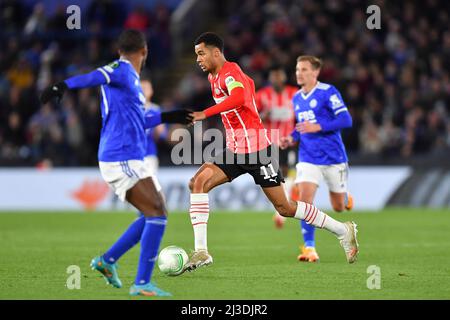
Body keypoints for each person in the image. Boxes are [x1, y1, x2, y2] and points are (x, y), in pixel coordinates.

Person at [184, 32, 359, 271]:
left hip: (258, 150)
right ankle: (202, 252)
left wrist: (206, 113)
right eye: (196, 55)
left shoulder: (231, 72)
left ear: (216, 52)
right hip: (234, 149)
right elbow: (246, 95)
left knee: (285, 208)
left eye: (201, 53)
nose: (198, 59)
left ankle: (342, 230)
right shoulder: (214, 78)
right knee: (197, 183)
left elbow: (238, 97)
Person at [40, 29, 193, 296]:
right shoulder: (121, 70)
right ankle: (142, 282)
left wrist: (170, 116)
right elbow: (95, 76)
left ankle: (107, 261)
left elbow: (141, 120)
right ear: (144, 51)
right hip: (119, 156)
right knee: (157, 212)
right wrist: (63, 85)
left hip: (130, 157)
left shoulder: (131, 81)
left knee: (153, 213)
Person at [280, 55, 354, 263]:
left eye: (304, 69)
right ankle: (309, 248)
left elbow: (346, 120)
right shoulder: (296, 98)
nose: (299, 73)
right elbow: (301, 126)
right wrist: (291, 138)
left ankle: (346, 198)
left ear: (315, 72)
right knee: (304, 202)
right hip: (308, 157)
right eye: (297, 69)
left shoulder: (327, 92)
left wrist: (319, 127)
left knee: (339, 206)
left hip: (333, 157)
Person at [255, 65, 298, 228]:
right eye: (274, 77)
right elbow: (252, 117)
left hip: (288, 141)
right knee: (275, 175)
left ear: (284, 78)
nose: (277, 80)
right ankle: (282, 206)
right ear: (270, 79)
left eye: (279, 76)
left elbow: (302, 114)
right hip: (269, 142)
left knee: (289, 172)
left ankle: (281, 210)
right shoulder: (261, 95)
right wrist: (263, 115)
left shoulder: (294, 93)